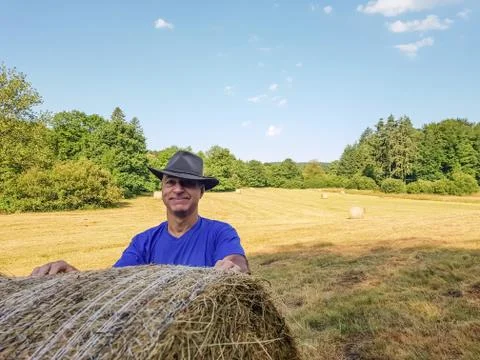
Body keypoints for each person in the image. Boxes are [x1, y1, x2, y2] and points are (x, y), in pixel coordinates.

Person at [31, 151, 249, 276]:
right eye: (170, 182)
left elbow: (237, 261)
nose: (178, 189)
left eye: (188, 183)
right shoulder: (144, 241)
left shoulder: (219, 232)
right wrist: (73, 275)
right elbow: (113, 282)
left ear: (201, 191)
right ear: (163, 190)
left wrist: (233, 267)